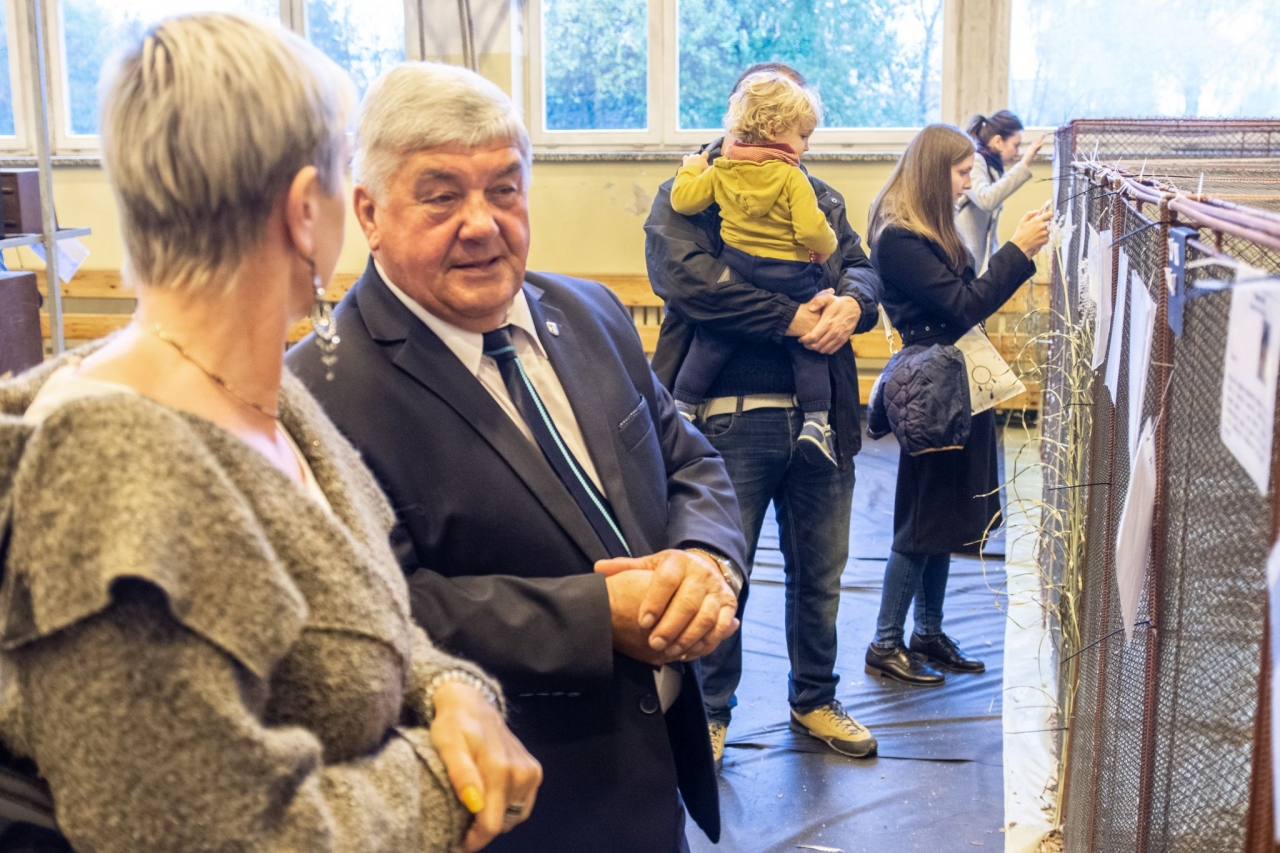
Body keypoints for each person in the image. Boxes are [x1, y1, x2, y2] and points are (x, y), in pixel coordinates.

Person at [0, 15, 542, 853]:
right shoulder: (114, 472)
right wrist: (445, 777)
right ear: (304, 211)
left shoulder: (270, 400)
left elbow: (356, 619)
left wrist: (448, 689)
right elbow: (199, 835)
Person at [288, 62, 748, 853]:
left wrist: (705, 562)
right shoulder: (316, 393)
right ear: (368, 211)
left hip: (656, 782)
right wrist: (596, 617)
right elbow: (373, 613)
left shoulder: (589, 311)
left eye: (504, 188)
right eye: (441, 196)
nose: (481, 223)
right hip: (517, 812)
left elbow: (687, 459)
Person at [644, 63, 882, 765]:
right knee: (720, 576)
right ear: (745, 117)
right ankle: (710, 714)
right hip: (721, 425)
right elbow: (687, 281)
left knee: (822, 576)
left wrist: (853, 304)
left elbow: (860, 266)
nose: (795, 140)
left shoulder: (815, 192)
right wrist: (791, 318)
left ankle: (814, 699)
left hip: (822, 421)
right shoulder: (692, 190)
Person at [864, 124, 1050, 686]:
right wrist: (1018, 250)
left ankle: (927, 632)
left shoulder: (930, 228)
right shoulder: (899, 238)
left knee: (943, 515)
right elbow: (965, 304)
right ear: (933, 171)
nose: (970, 183)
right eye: (963, 172)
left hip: (955, 381)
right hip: (934, 388)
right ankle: (885, 642)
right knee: (922, 518)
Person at [668, 70, 839, 465]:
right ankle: (817, 422)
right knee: (809, 340)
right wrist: (826, 246)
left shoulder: (722, 170)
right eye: (803, 136)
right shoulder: (792, 177)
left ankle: (682, 406)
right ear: (777, 130)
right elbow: (811, 230)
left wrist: (691, 167)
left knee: (712, 337)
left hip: (739, 264)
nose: (807, 146)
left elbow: (683, 200)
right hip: (789, 272)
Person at [955, 110, 1044, 272]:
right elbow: (986, 199)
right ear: (998, 141)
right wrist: (1026, 161)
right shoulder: (976, 160)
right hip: (960, 257)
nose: (1017, 153)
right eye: (1015, 145)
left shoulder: (992, 169)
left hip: (972, 261)